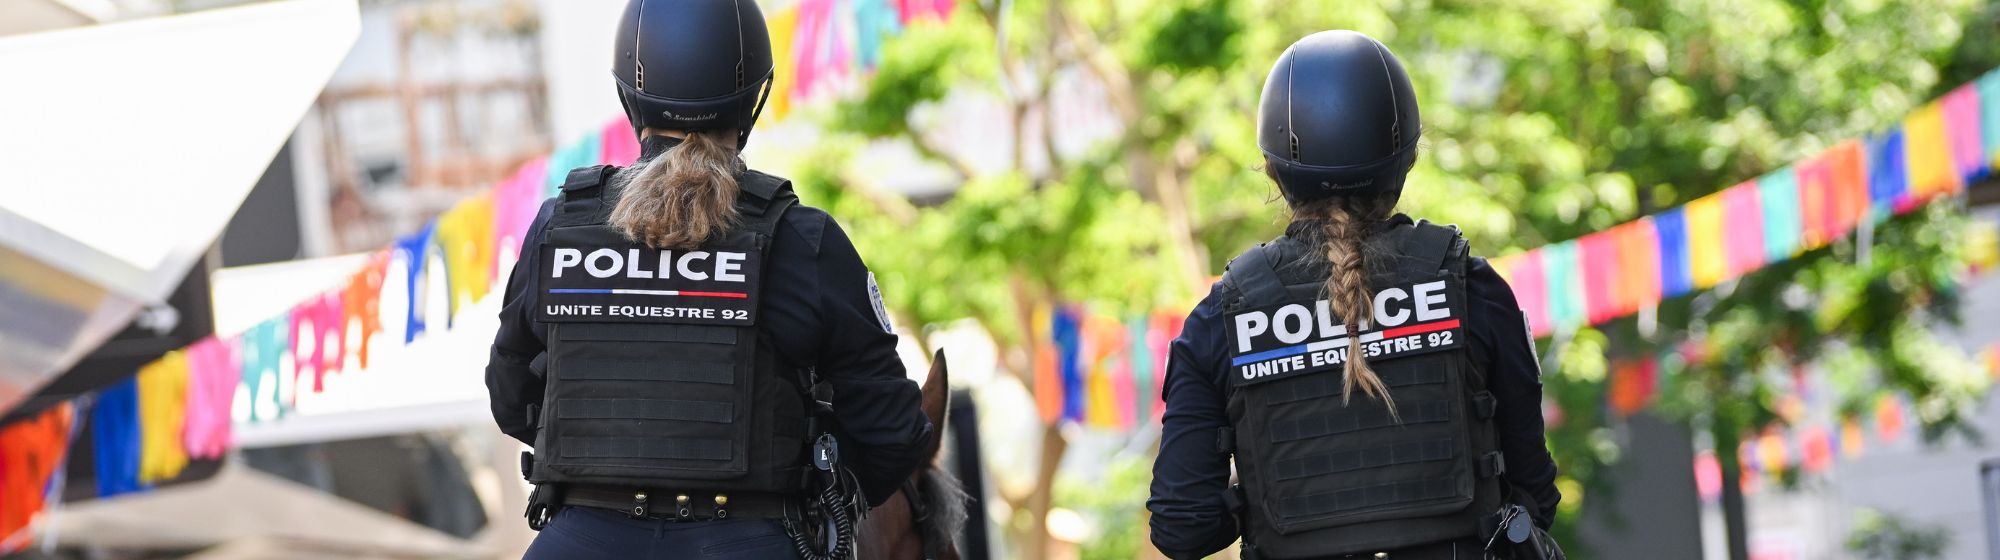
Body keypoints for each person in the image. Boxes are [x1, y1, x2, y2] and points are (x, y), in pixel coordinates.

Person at [483, 1, 932, 557]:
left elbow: (509, 391)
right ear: (754, 96)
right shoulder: (803, 240)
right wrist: (812, 489)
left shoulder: (559, 225)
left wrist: (602, 463)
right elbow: (894, 433)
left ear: (629, 92)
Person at [1147, 30, 1563, 560]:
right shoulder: (1472, 289)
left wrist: (1267, 498)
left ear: (1274, 169)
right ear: (1405, 158)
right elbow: (1534, 494)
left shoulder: (1221, 318)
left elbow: (1183, 528)